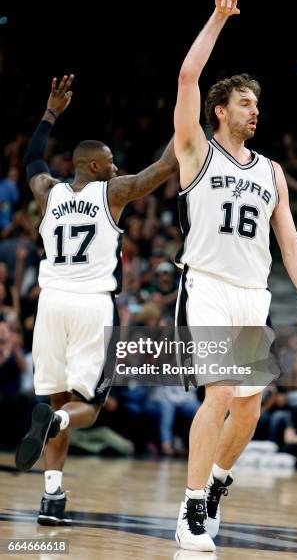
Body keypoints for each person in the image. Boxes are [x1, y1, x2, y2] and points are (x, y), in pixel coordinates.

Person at [173, 0, 297, 552]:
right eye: (243, 102)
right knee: (218, 394)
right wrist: (216, 17)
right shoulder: (195, 150)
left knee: (250, 404)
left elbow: (289, 242)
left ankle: (215, 484)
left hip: (253, 295)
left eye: (256, 104)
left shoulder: (272, 172)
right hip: (207, 287)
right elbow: (189, 77)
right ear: (220, 110)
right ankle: (190, 512)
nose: (254, 110)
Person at [15, 75, 178, 525]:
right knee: (85, 407)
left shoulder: (47, 192)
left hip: (50, 305)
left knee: (54, 399)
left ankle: (52, 499)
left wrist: (50, 113)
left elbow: (31, 157)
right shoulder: (114, 193)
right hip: (92, 306)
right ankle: (58, 426)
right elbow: (163, 167)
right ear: (90, 166)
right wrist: (190, 125)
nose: (115, 167)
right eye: (108, 163)